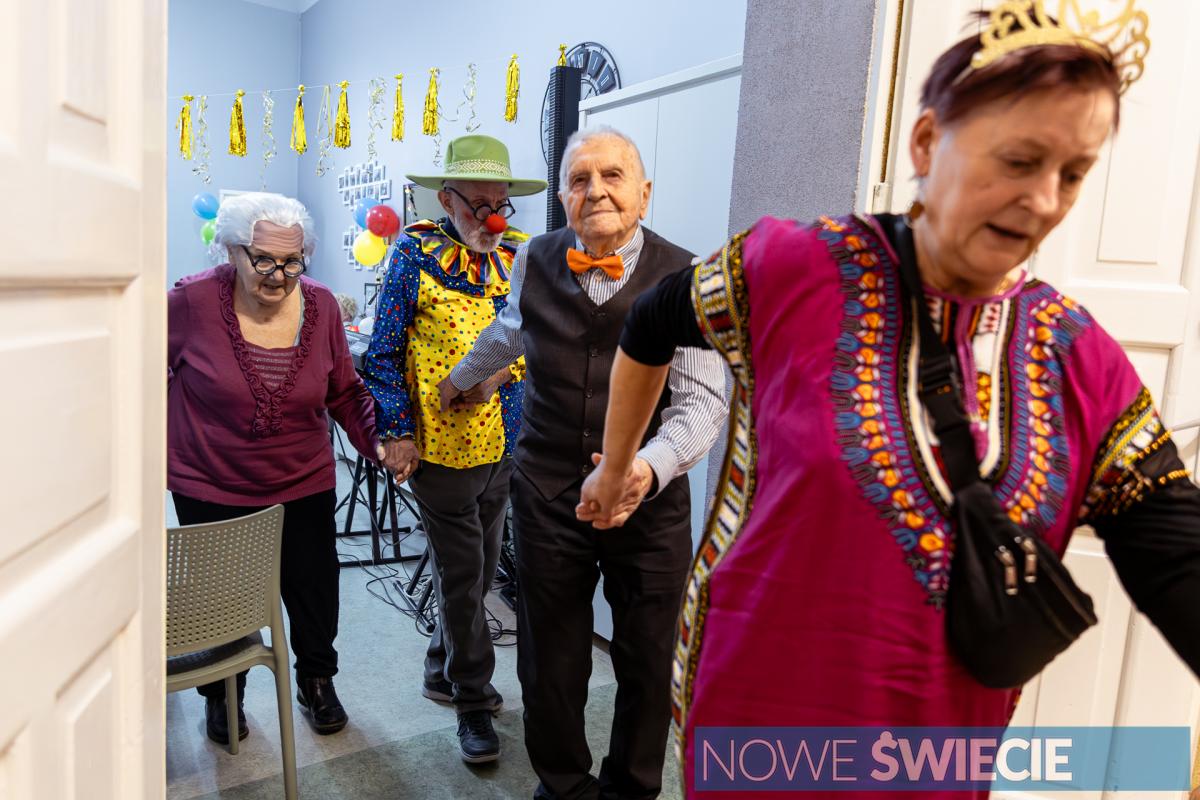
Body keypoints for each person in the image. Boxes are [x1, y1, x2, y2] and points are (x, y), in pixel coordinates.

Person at [580, 9, 1200, 798]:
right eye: (1018, 159)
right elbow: (650, 323)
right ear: (927, 142)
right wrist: (617, 469)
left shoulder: (1078, 360)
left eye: (1073, 173)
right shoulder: (793, 269)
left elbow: (1176, 556)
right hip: (755, 737)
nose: (1045, 199)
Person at [444, 126, 727, 799]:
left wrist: (642, 470)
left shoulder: (689, 277)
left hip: (650, 504)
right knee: (550, 660)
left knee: (649, 660)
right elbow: (510, 331)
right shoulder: (533, 259)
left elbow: (702, 402)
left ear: (644, 194)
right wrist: (457, 380)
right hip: (547, 494)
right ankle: (564, 786)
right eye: (579, 179)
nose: (595, 190)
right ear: (564, 197)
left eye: (612, 176)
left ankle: (631, 789)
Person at [168, 192, 393, 743]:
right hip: (211, 480)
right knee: (221, 595)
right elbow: (138, 375)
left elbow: (344, 391)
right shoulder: (190, 302)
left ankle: (316, 679)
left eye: (292, 262)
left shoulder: (321, 306)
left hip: (302, 475)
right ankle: (224, 693)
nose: (278, 276)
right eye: (263, 260)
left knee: (313, 584)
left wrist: (380, 442)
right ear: (231, 251)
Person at [361, 134, 545, 764]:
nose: (493, 219)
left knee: (480, 569)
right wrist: (396, 430)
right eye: (478, 205)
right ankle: (473, 700)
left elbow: (534, 343)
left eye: (501, 204)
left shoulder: (520, 256)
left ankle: (441, 668)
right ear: (446, 200)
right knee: (465, 578)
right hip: (437, 452)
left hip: (503, 444)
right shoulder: (414, 253)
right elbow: (383, 354)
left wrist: (498, 376)